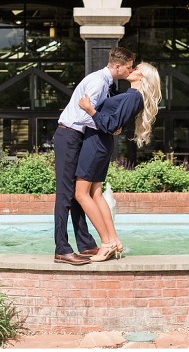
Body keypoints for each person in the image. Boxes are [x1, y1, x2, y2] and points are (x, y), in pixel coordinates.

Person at [53, 46, 136, 266]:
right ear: (117, 66)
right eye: (128, 67)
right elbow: (83, 113)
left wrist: (107, 124)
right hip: (69, 135)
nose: (131, 70)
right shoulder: (99, 82)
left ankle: (86, 243)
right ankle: (61, 249)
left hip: (78, 137)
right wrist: (107, 126)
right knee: (64, 195)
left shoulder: (107, 83)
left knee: (77, 193)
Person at [75, 62, 162, 262]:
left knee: (81, 193)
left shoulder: (134, 96)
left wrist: (90, 110)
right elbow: (114, 121)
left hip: (96, 143)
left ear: (143, 77)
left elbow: (112, 123)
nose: (131, 70)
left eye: (136, 68)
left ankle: (105, 244)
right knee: (95, 193)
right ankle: (114, 242)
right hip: (99, 143)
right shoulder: (132, 95)